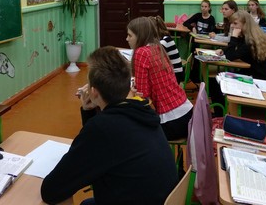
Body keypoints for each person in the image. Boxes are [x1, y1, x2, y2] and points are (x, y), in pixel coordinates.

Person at [41, 46, 178, 205]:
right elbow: (97, 148)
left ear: (94, 92)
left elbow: (51, 190)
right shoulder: (143, 110)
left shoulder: (104, 128)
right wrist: (89, 111)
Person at [126, 17, 193, 140]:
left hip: (172, 121)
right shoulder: (157, 47)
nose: (127, 39)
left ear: (140, 35)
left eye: (130, 35)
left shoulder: (141, 52)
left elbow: (143, 96)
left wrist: (132, 91)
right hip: (187, 114)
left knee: (129, 131)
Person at [215, 10, 266, 80]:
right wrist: (223, 50)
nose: (232, 26)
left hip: (255, 78)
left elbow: (229, 56)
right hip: (249, 72)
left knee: (220, 79)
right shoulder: (245, 36)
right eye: (231, 23)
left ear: (245, 24)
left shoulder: (250, 41)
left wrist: (234, 37)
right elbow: (235, 49)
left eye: (235, 23)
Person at [150, 16, 184, 83]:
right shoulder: (163, 38)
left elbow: (152, 56)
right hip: (173, 72)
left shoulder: (165, 41)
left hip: (175, 74)